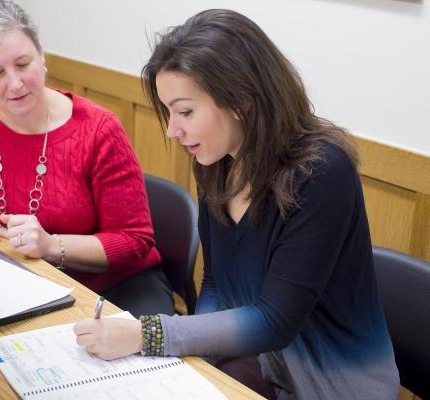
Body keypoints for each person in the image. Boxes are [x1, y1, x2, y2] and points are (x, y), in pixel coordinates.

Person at [73, 9, 399, 399]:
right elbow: (217, 283)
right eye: (170, 112)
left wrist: (151, 334)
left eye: (186, 111)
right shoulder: (216, 161)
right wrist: (195, 359)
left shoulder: (322, 171)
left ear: (241, 100)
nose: (172, 130)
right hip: (262, 358)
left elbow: (275, 320)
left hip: (331, 378)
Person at [0, 0, 174, 317]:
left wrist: (51, 246)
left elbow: (134, 241)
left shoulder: (98, 129)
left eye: (23, 64)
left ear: (42, 57)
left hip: (114, 287)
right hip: (23, 283)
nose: (15, 83)